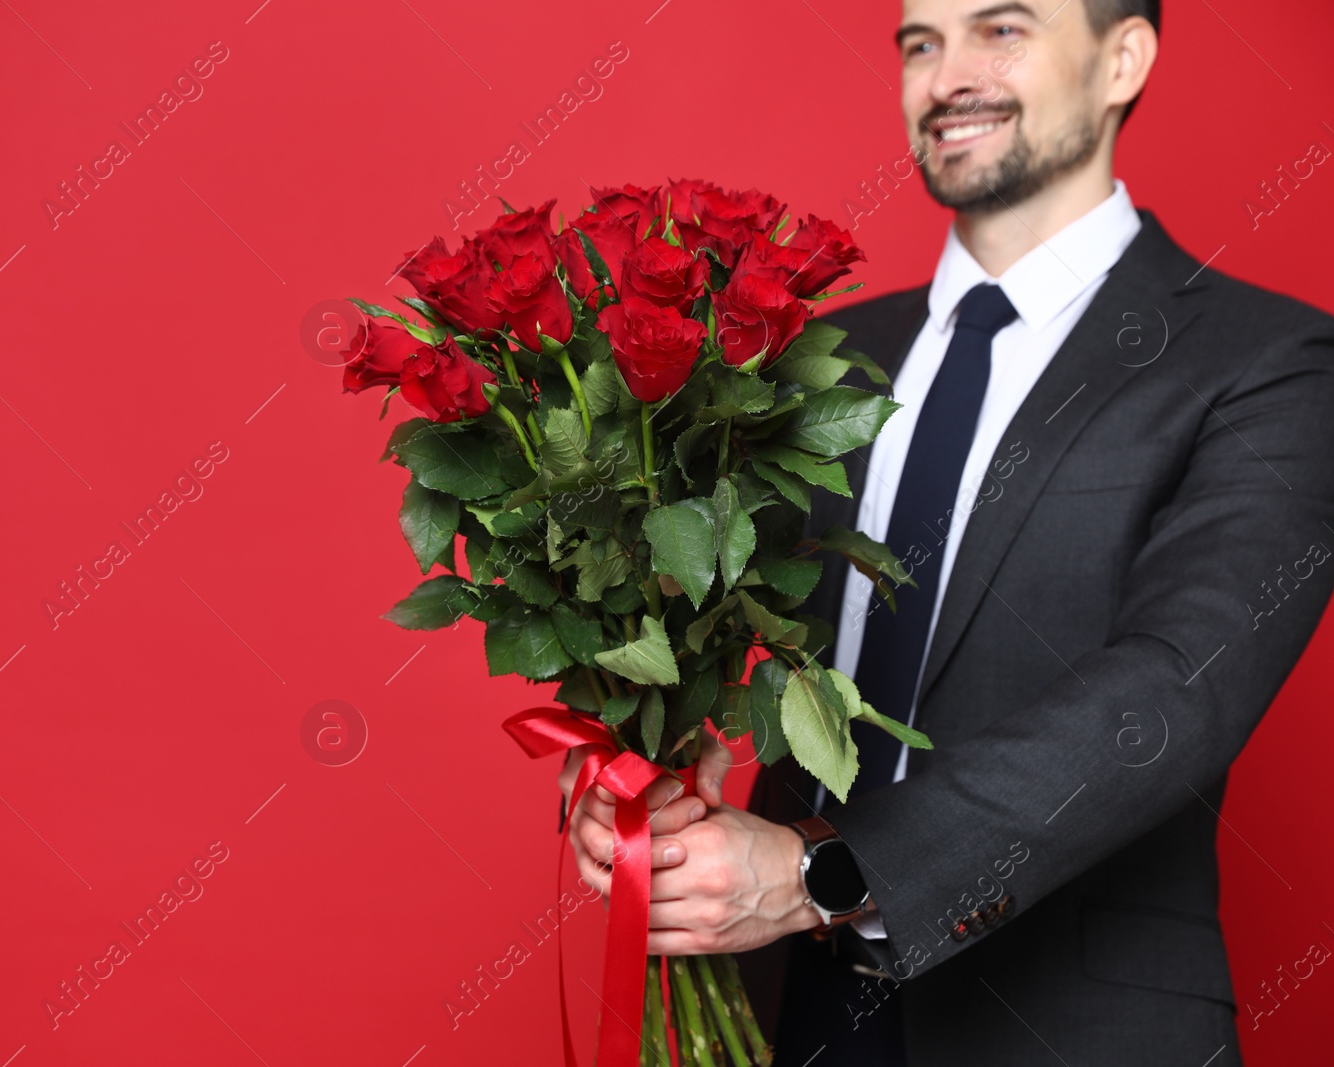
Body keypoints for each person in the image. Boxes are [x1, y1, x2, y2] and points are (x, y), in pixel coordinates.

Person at [560, 1, 1334, 1063]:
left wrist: (816, 873)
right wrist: (638, 764)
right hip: (784, 1012)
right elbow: (710, 616)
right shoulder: (814, 358)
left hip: (1065, 1026)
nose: (947, 75)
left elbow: (1172, 691)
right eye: (920, 43)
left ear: (1123, 58)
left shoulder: (1266, 361)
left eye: (1000, 29)